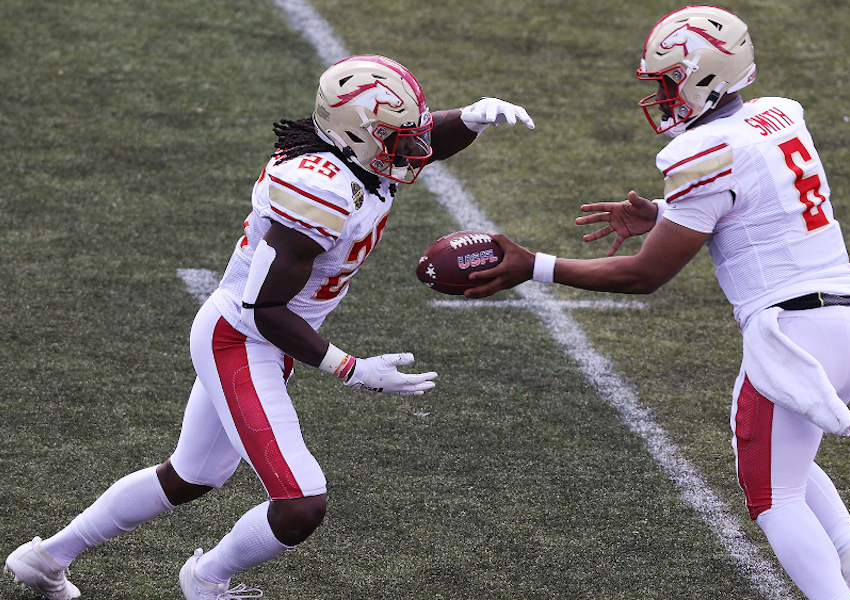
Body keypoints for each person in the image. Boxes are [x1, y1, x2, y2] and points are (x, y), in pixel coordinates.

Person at [4, 54, 534, 600]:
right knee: (302, 502)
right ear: (356, 136)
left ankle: (46, 558)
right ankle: (206, 579)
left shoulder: (354, 155)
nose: (414, 150)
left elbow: (421, 143)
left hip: (257, 335)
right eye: (398, 139)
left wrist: (469, 118)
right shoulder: (320, 192)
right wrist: (353, 370)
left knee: (192, 475)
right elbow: (263, 308)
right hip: (242, 336)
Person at [465, 6, 850, 600]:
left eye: (668, 82)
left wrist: (533, 266)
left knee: (772, 495)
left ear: (705, 76)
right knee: (785, 459)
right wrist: (667, 217)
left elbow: (646, 274)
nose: (661, 97)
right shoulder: (781, 115)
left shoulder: (698, 153)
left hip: (792, 332)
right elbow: (757, 204)